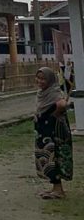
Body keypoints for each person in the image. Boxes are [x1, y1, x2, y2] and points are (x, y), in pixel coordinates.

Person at [34, 66, 73, 199]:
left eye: (43, 79)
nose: (40, 81)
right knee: (47, 158)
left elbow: (62, 104)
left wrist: (53, 115)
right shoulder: (43, 93)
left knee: (53, 157)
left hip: (53, 134)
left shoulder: (54, 92)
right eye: (38, 78)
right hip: (44, 133)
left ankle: (58, 190)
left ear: (50, 80)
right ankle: (55, 188)